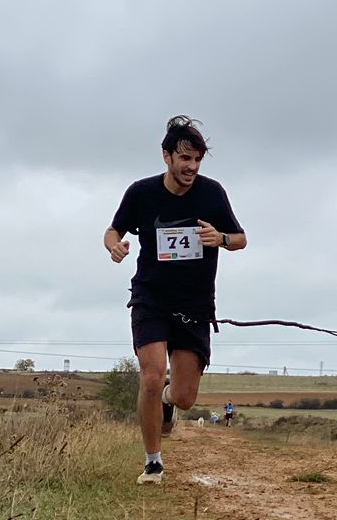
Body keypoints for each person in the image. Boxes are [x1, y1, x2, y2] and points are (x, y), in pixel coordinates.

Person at [104, 116, 245, 484]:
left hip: (194, 305)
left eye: (197, 160)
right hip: (151, 297)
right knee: (151, 376)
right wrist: (114, 247)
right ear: (166, 156)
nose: (191, 167)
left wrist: (222, 239)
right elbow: (112, 230)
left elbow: (240, 237)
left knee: (184, 397)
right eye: (185, 159)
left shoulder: (212, 193)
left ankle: (168, 404)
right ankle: (153, 461)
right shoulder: (141, 193)